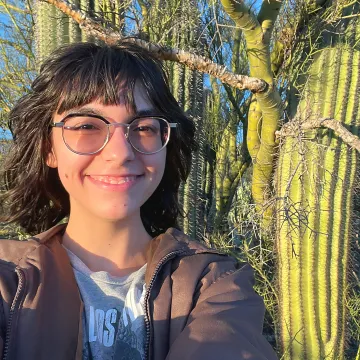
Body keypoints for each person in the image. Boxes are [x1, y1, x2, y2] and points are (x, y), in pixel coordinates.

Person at [0, 41, 277, 360]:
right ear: (49, 148)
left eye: (144, 127)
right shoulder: (9, 279)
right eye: (87, 126)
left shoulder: (213, 284)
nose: (120, 153)